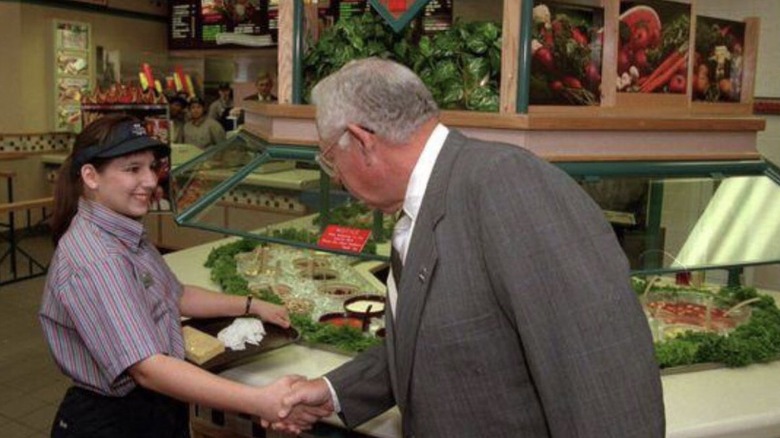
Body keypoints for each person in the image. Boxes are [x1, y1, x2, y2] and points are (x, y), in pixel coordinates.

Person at [273, 58, 666, 436]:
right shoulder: (425, 203)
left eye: (330, 158)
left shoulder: (507, 185)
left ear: (362, 141)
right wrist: (335, 391)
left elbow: (603, 376)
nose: (337, 177)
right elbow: (443, 345)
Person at [40, 115, 326, 437]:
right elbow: (149, 369)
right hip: (115, 420)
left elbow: (175, 296)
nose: (150, 180)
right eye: (133, 169)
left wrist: (251, 304)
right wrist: (259, 400)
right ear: (91, 176)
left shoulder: (121, 229)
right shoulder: (98, 259)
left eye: (151, 166)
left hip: (154, 406)